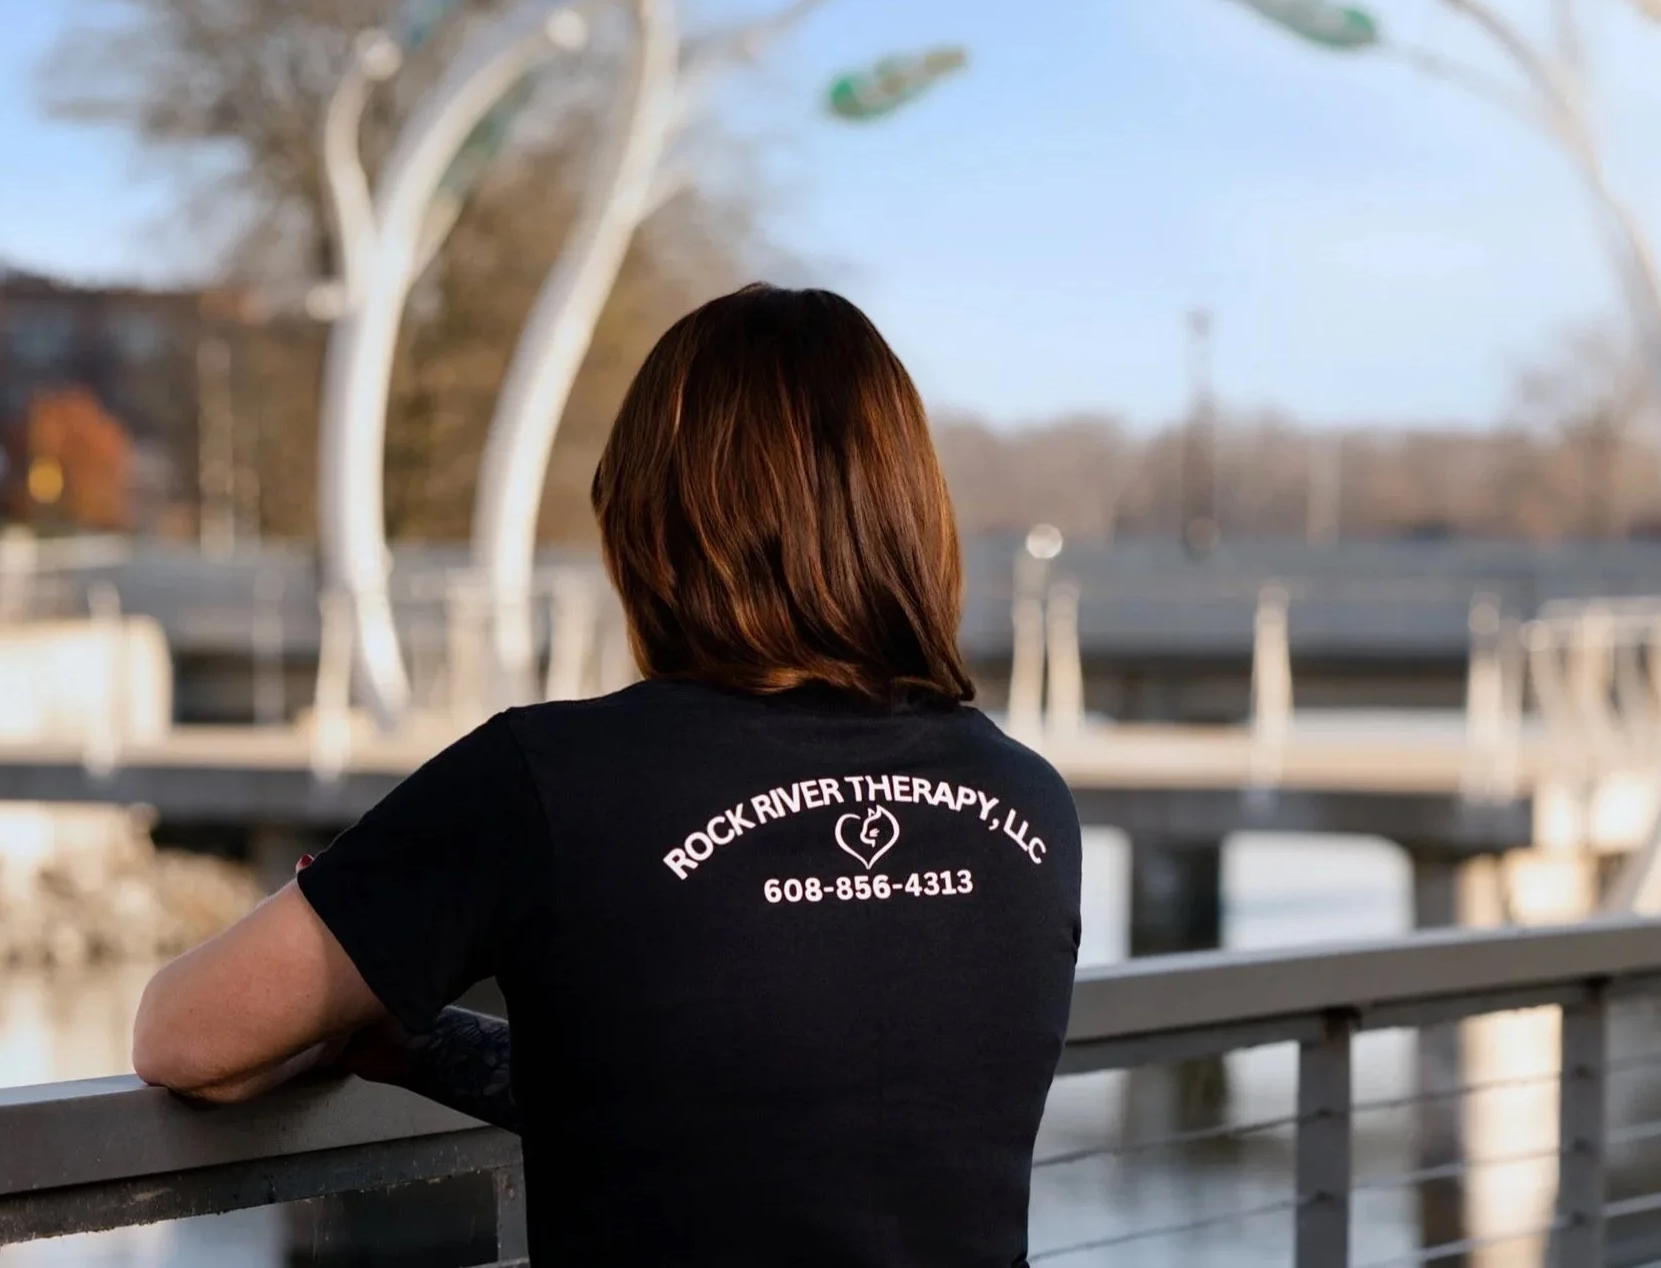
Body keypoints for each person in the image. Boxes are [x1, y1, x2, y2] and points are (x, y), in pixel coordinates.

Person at [134, 284, 1081, 1267]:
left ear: (650, 525)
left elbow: (183, 1034)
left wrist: (377, 999)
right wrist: (436, 1049)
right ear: (907, 518)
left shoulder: (550, 780)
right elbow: (777, 1106)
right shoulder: (1030, 801)